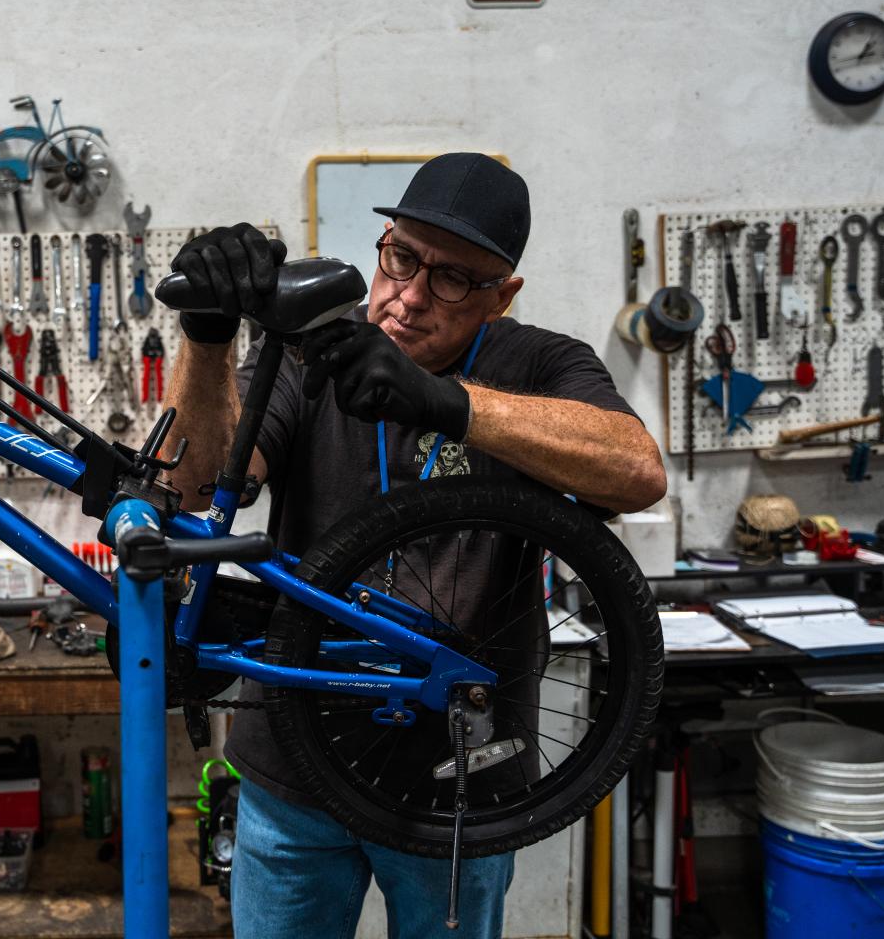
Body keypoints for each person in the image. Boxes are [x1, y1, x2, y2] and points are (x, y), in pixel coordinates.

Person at [163, 153, 667, 938]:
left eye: (454, 279)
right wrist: (206, 338)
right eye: (401, 258)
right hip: (292, 768)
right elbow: (194, 489)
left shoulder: (538, 363)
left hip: (461, 782)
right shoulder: (308, 352)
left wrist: (447, 401)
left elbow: (635, 471)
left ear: (503, 293)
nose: (410, 295)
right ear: (383, 244)